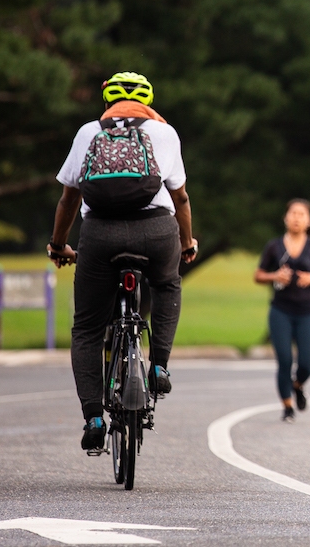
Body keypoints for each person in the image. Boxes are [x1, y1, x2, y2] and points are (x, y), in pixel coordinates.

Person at [48, 71, 198, 451]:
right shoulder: (165, 133)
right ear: (148, 101)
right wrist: (186, 241)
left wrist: (58, 245)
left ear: (108, 102)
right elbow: (180, 199)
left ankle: (95, 417)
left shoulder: (88, 132)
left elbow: (68, 199)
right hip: (156, 232)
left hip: (100, 234)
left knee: (87, 328)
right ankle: (159, 366)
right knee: (166, 284)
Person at [254, 199, 310, 423]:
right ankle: (287, 407)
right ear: (285, 217)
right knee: (284, 360)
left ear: (308, 220)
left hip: (307, 311)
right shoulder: (274, 246)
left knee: (306, 363)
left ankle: (298, 385)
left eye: (301, 214)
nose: (296, 217)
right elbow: (258, 275)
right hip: (280, 310)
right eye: (292, 213)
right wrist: (275, 276)